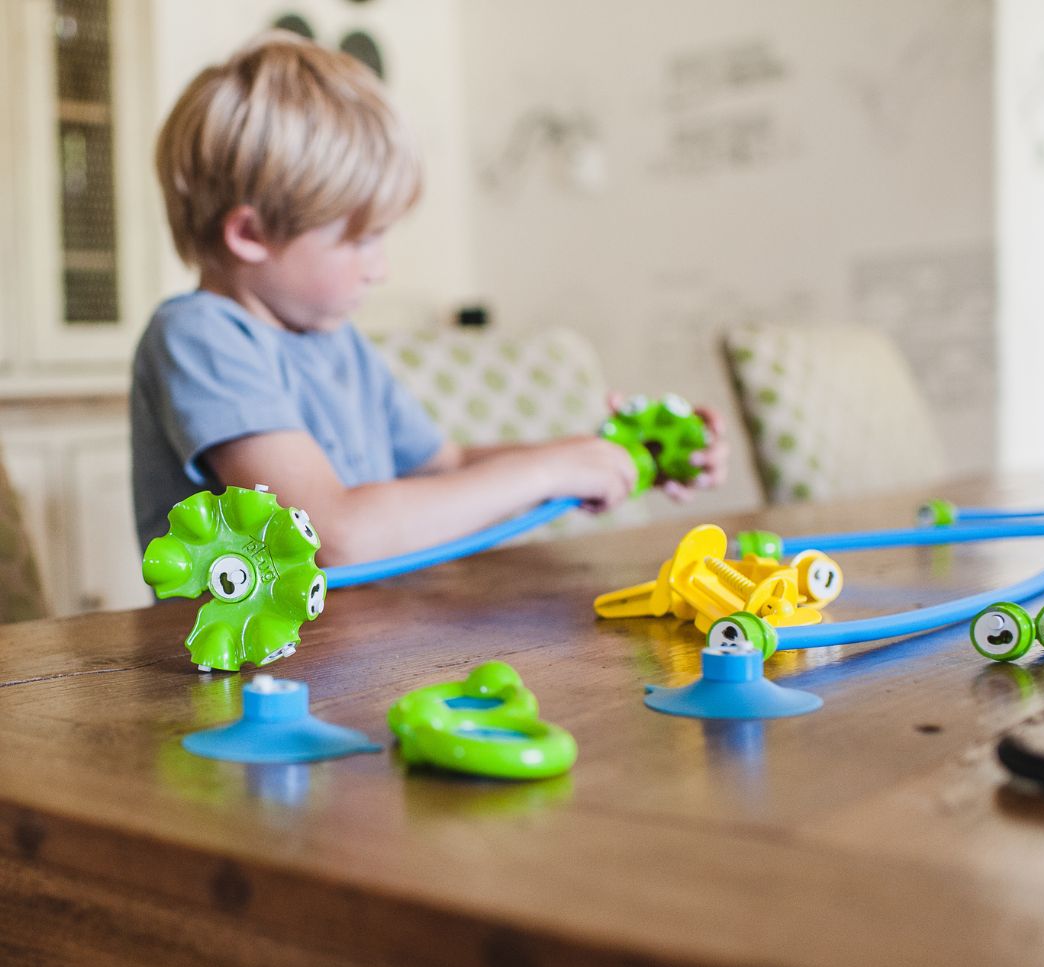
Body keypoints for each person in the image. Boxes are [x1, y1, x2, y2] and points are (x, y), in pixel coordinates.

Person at [132, 31, 728, 566]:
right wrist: (547, 470)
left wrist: (600, 457)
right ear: (251, 234)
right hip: (265, 656)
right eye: (361, 241)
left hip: (370, 639)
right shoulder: (199, 335)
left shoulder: (335, 341)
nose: (381, 269)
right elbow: (330, 535)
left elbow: (446, 465)